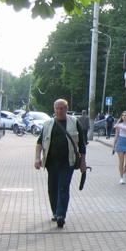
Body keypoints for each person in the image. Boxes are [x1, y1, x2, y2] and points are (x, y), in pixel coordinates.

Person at [34, 98, 86, 228]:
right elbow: (39, 143)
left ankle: (61, 215)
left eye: (62, 108)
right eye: (57, 108)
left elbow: (82, 144)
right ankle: (55, 212)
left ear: (67, 109)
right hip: (51, 162)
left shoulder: (74, 122)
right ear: (54, 109)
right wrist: (37, 158)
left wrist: (83, 162)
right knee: (52, 188)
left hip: (68, 162)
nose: (59, 110)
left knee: (63, 187)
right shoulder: (48, 124)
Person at [112, 110, 126, 184]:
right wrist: (113, 146)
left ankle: (124, 172)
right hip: (120, 142)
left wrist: (117, 125)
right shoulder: (119, 125)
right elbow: (116, 136)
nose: (124, 117)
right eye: (123, 115)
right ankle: (121, 177)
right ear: (121, 117)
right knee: (121, 162)